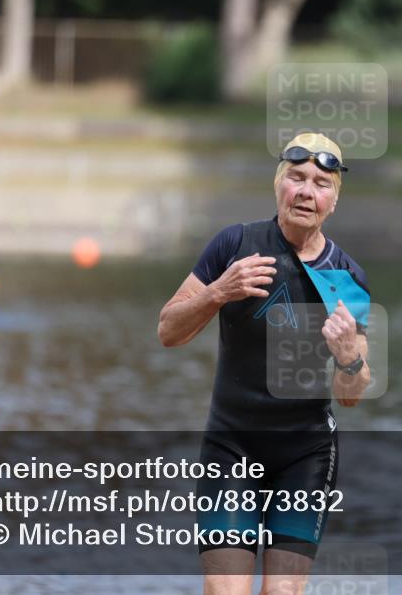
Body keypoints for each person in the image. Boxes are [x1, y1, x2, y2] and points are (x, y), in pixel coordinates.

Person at [158, 132, 371, 595]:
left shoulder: (347, 276)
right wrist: (219, 292)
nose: (306, 191)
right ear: (279, 185)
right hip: (231, 446)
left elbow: (352, 396)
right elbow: (168, 331)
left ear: (333, 200)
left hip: (305, 454)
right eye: (296, 177)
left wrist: (350, 358)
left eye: (320, 183)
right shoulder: (235, 245)